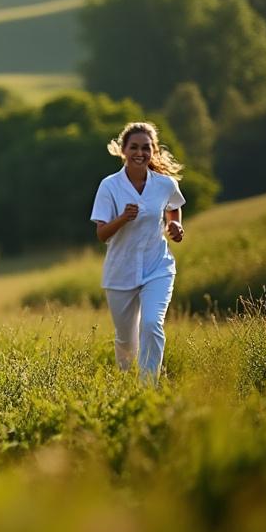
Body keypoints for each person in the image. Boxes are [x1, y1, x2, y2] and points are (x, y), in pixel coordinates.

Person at [90, 121, 186, 382]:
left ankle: (148, 386)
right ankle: (126, 381)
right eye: (134, 147)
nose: (140, 153)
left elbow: (174, 207)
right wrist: (123, 218)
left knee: (152, 323)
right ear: (123, 150)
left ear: (153, 150)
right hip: (120, 272)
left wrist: (175, 225)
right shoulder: (109, 186)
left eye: (146, 147)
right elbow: (102, 234)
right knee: (126, 340)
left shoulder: (165, 184)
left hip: (158, 267)